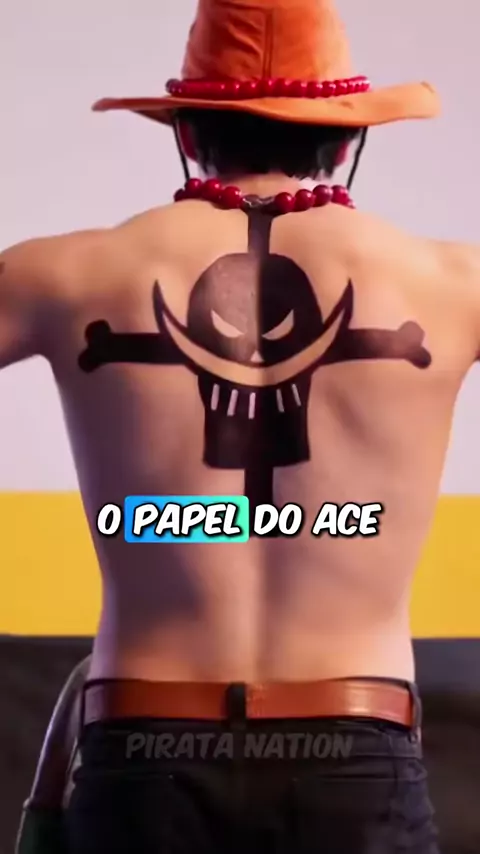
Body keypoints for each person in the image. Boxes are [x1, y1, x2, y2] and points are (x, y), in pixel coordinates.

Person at [5, 0, 476, 850]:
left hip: (143, 751)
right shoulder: (453, 285)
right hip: (353, 750)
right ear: (347, 139)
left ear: (187, 133)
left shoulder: (65, 275)